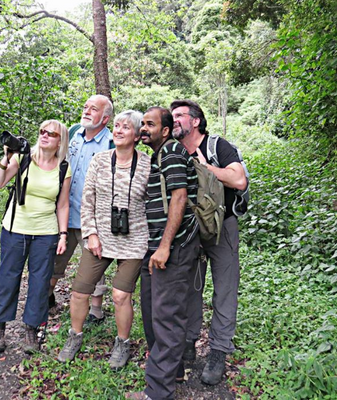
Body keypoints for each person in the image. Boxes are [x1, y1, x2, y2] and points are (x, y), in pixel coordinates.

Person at [57, 110, 150, 368]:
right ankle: (74, 336)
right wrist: (91, 234)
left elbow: (153, 204)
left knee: (120, 295)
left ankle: (122, 343)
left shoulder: (147, 164)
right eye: (117, 126)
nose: (119, 131)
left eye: (126, 127)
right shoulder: (99, 160)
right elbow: (87, 200)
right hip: (99, 238)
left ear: (136, 135)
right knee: (79, 292)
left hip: (134, 240)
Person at [171, 99, 247, 386]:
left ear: (195, 121)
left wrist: (205, 168)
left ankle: (218, 350)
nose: (174, 119)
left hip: (222, 227)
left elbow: (239, 180)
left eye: (180, 115)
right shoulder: (174, 149)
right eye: (172, 115)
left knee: (225, 289)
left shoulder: (217, 146)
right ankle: (189, 341)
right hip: (188, 230)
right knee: (190, 287)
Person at [126, 107, 200, 400]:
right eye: (142, 124)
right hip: (155, 246)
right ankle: (174, 370)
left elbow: (180, 197)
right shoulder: (158, 155)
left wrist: (166, 246)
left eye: (150, 124)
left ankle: (158, 392)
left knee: (166, 317)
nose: (143, 129)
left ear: (166, 130)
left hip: (174, 246)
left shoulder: (170, 152)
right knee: (152, 312)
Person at [0, 120, 71, 354]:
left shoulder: (63, 167)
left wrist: (63, 235)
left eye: (51, 133)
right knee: (7, 278)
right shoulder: (23, 158)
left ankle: (32, 329)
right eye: (42, 131)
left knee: (40, 282)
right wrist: (6, 158)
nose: (44, 135)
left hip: (46, 233)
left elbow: (63, 204)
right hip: (15, 229)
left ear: (60, 141)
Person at [49, 94, 114, 324]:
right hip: (65, 211)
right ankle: (47, 297)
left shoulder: (111, 143)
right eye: (86, 107)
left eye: (93, 109)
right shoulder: (73, 132)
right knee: (55, 258)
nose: (86, 111)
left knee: (94, 262)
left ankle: (96, 311)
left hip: (93, 217)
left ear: (105, 118)